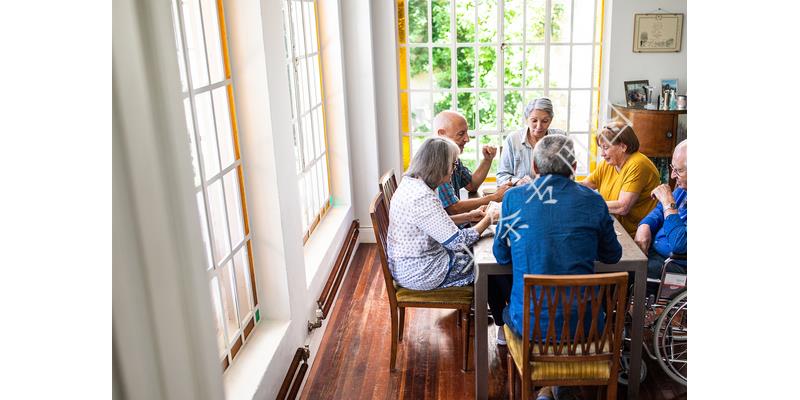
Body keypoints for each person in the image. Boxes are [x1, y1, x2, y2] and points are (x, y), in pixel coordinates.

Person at [493, 135, 622, 400]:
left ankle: (547, 388)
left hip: (531, 327)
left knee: (510, 308)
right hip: (585, 326)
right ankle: (560, 387)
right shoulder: (594, 201)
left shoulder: (514, 199)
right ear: (574, 167)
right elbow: (612, 255)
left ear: (535, 168)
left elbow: (500, 255)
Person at [387, 137, 511, 335]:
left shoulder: (411, 184)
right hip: (421, 272)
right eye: (453, 163)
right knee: (490, 265)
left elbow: (436, 223)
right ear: (439, 164)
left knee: (487, 257)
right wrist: (489, 218)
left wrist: (469, 216)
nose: (455, 168)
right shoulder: (423, 198)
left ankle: (503, 322)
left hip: (408, 264)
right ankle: (507, 322)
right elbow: (458, 242)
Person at [581, 122, 660, 236]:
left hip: (635, 234)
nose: (602, 154)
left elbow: (623, 206)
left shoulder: (637, 164)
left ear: (623, 146)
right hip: (614, 226)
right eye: (601, 148)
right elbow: (587, 184)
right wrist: (561, 185)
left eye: (606, 148)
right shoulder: (609, 163)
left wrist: (587, 204)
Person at [433, 111, 511, 216]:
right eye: (461, 134)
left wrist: (487, 160)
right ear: (441, 134)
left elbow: (471, 185)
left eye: (466, 133)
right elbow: (453, 208)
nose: (467, 139)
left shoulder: (452, 157)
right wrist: (495, 197)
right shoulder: (436, 161)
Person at [634, 140, 687, 280]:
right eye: (673, 168)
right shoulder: (683, 189)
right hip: (656, 253)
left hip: (676, 264)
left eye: (679, 170)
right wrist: (645, 225)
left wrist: (669, 203)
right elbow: (659, 211)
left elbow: (680, 244)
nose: (672, 176)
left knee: (625, 271)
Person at [496, 97, 566, 186]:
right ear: (526, 119)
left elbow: (569, 174)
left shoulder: (560, 138)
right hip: (522, 194)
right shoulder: (513, 139)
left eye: (545, 121)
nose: (539, 126)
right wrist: (517, 182)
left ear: (551, 120)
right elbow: (501, 177)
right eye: (534, 120)